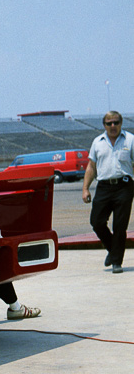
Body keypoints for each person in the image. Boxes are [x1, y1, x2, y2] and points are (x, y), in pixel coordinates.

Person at [82, 111, 134, 274]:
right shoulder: (98, 142)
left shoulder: (130, 140)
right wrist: (85, 188)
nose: (113, 126)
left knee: (120, 225)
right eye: (109, 123)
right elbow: (91, 166)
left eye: (116, 122)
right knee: (96, 221)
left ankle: (116, 262)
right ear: (104, 125)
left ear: (121, 123)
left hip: (124, 187)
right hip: (104, 186)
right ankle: (113, 251)